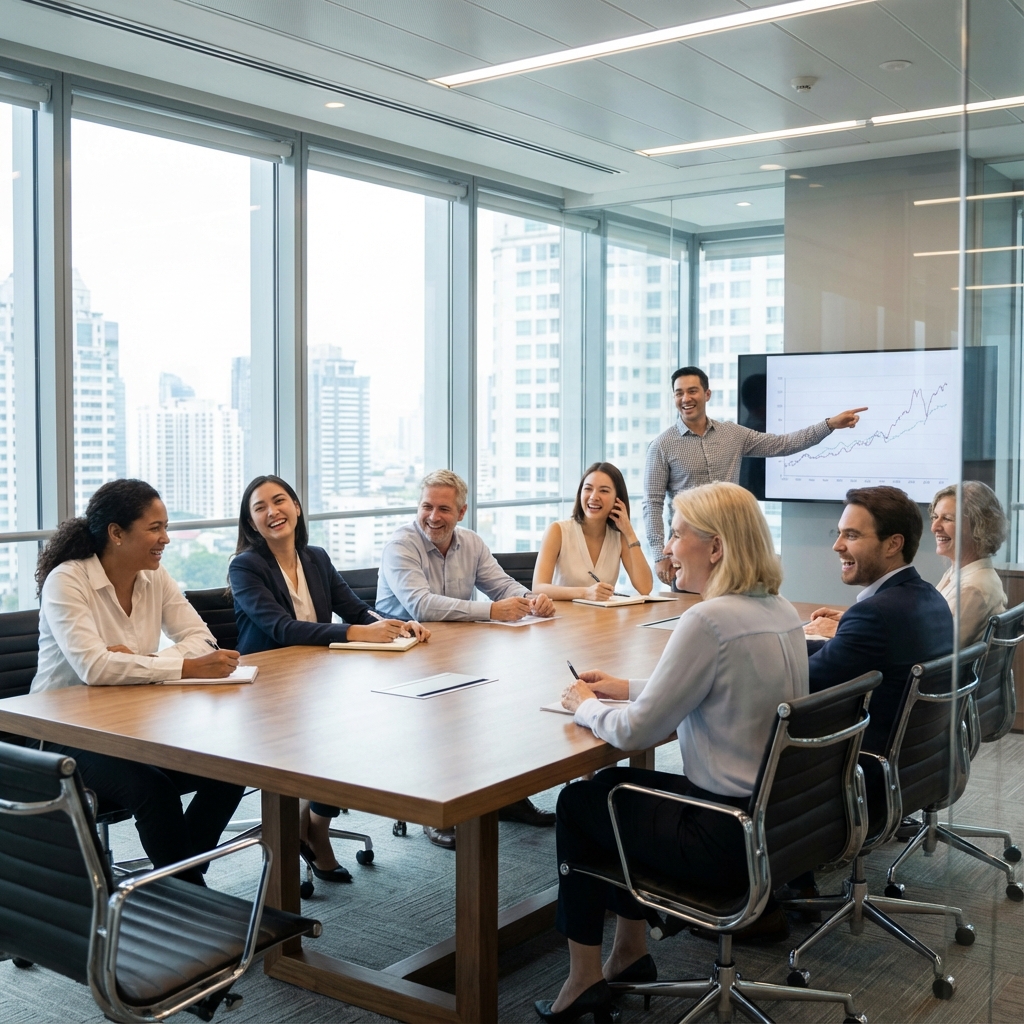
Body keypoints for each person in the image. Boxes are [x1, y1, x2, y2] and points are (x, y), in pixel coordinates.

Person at [536, 482, 807, 1021]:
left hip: (720, 836)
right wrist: (627, 684)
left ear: (716, 548)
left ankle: (583, 979)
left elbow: (635, 733)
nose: (668, 549)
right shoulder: (780, 609)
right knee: (612, 790)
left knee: (580, 804)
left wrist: (587, 705)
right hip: (774, 824)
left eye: (678, 535)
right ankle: (630, 952)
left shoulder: (707, 620)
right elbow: (721, 684)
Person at [31, 479, 244, 886]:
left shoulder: (154, 576)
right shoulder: (67, 580)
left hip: (131, 723)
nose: (166, 538)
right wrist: (181, 667)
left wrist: (145, 660)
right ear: (116, 533)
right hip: (60, 730)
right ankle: (188, 894)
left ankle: (177, 879)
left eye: (165, 527)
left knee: (230, 769)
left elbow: (201, 638)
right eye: (155, 528)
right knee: (154, 789)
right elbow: (94, 668)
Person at [229, 474, 430, 882]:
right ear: (251, 523)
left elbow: (356, 609)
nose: (273, 512)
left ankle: (313, 822)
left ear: (297, 507)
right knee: (347, 735)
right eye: (260, 507)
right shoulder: (245, 567)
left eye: (280, 500)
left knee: (369, 727)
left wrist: (395, 624)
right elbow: (282, 629)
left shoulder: (315, 557)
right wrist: (358, 632)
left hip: (317, 683)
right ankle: (307, 831)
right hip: (267, 691)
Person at [376, 469, 557, 848]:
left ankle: (506, 797)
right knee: (443, 721)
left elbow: (502, 586)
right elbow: (420, 605)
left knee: (508, 702)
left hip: (457, 650)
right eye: (427, 506)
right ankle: (436, 811)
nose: (433, 516)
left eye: (444, 508)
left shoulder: (471, 543)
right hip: (402, 658)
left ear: (461, 512)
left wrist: (531, 598)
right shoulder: (401, 544)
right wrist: (491, 612)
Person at [643, 365, 867, 586]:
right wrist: (660, 555)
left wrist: (829, 425)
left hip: (732, 547)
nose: (685, 398)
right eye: (678, 393)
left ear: (706, 394)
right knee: (690, 615)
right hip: (690, 550)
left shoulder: (732, 434)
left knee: (734, 614)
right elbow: (652, 503)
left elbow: (783, 444)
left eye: (692, 391)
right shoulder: (662, 446)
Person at [804, 486, 952, 753]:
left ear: (893, 544)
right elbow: (841, 654)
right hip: (916, 762)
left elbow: (805, 680)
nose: (837, 546)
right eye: (839, 534)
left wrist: (762, 656)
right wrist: (790, 642)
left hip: (860, 765)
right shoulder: (930, 597)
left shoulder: (876, 615)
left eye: (851, 535)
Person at [532, 462, 653, 601]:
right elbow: (538, 587)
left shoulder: (619, 536)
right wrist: (585, 593)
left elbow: (645, 588)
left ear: (617, 499)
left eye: (604, 491)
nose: (594, 497)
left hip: (602, 619)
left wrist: (629, 532)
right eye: (588, 489)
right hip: (563, 618)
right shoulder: (558, 531)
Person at [930, 481, 1007, 645]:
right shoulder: (959, 573)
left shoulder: (972, 590)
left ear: (979, 527)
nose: (934, 527)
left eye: (947, 519)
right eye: (935, 517)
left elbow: (939, 651)